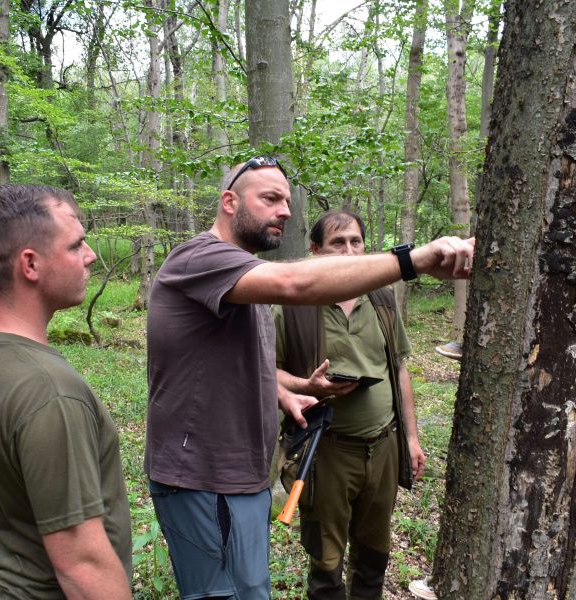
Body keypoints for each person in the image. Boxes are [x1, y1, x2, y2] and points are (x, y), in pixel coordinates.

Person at [144, 156, 474, 599]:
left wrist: (291, 390)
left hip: (243, 477)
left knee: (251, 591)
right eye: (270, 199)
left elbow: (229, 363)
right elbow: (297, 284)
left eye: (286, 201)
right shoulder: (200, 257)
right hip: (205, 476)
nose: (285, 210)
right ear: (228, 202)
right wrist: (413, 260)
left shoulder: (244, 279)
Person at [0, 184, 132, 599]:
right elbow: (82, 565)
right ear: (30, 264)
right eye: (76, 245)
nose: (91, 256)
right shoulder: (49, 392)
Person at [273, 209, 425, 599]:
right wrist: (307, 385)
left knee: (374, 557)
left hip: (384, 446)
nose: (349, 250)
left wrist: (411, 437)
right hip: (327, 451)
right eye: (337, 243)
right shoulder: (293, 306)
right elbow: (264, 373)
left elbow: (399, 369)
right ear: (315, 251)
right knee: (326, 565)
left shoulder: (381, 298)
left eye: (355, 241)